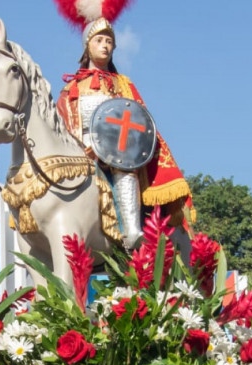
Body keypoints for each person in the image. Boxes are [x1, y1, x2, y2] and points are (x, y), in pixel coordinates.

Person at [56, 15, 192, 248]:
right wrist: (81, 148)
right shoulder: (72, 88)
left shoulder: (123, 85)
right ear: (87, 46)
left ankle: (132, 232)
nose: (105, 46)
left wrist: (115, 149)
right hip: (80, 151)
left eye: (109, 42)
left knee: (124, 168)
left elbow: (138, 121)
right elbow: (62, 125)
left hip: (117, 150)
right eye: (99, 40)